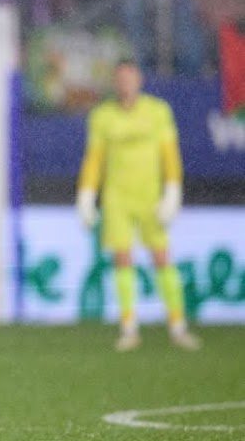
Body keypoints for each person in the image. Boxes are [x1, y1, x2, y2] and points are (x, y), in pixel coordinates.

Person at [76, 59, 201, 352]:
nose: (125, 83)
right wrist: (86, 194)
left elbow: (170, 154)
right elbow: (94, 160)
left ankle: (178, 326)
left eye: (129, 78)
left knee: (161, 257)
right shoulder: (103, 116)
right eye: (120, 78)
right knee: (123, 259)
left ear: (139, 80)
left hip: (150, 197)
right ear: (114, 82)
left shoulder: (158, 112)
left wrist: (172, 190)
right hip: (117, 198)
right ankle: (129, 328)